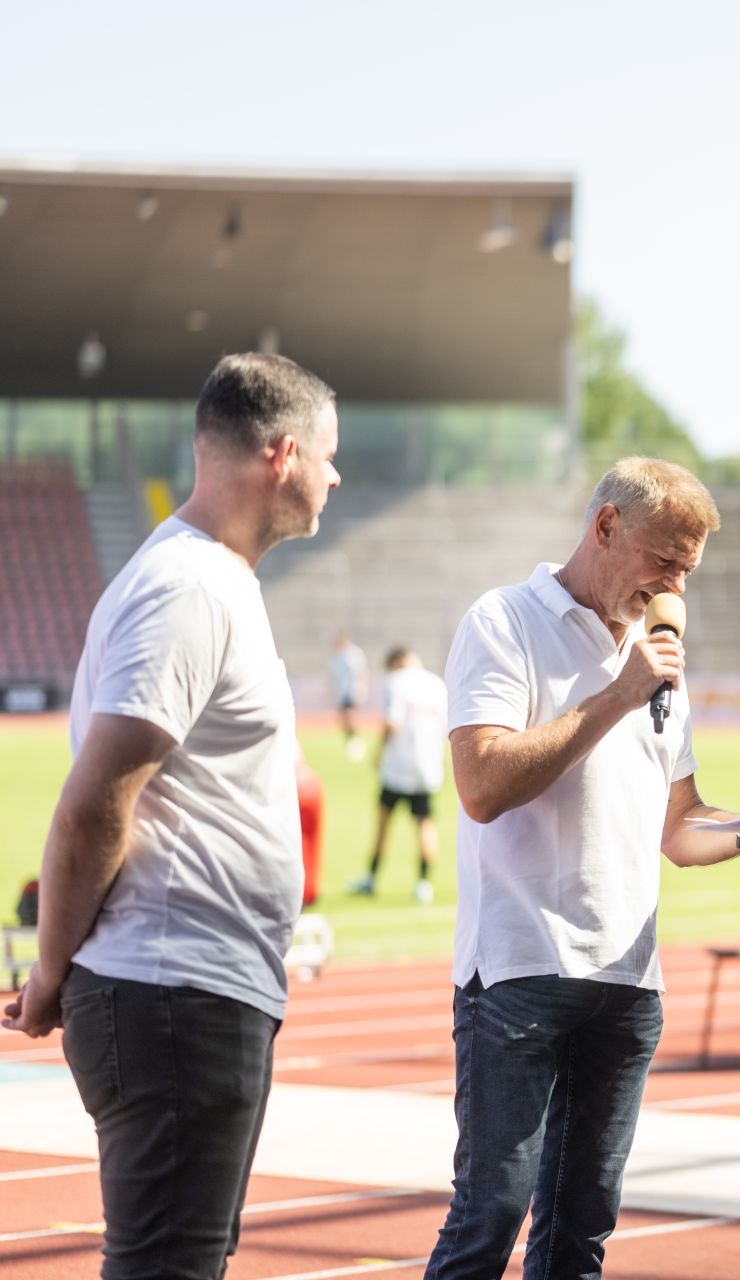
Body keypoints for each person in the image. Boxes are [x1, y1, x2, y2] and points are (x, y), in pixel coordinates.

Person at [424, 456, 740, 1280]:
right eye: (665, 560)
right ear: (606, 526)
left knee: (581, 1235)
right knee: (489, 1217)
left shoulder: (657, 657)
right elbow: (483, 785)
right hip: (521, 971)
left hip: (628, 984)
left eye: (687, 570)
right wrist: (617, 696)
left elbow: (678, 824)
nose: (675, 586)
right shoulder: (503, 621)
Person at [2, 353, 340, 1278]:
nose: (336, 475)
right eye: (327, 454)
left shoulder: (211, 581)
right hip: (172, 989)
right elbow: (93, 807)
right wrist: (50, 971)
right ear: (282, 454)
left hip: (193, 988)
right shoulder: (189, 588)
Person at [349, 645, 448, 904]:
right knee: (425, 824)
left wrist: (378, 754)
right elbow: (444, 729)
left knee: (383, 824)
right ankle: (424, 884)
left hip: (397, 768)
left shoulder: (396, 682)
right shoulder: (437, 685)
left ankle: (371, 879)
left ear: (395, 662)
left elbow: (392, 723)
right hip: (426, 769)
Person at [332, 630, 369, 761]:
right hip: (342, 692)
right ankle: (351, 741)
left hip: (353, 690)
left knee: (350, 717)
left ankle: (356, 741)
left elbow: (361, 671)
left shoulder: (353, 654)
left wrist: (361, 689)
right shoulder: (336, 655)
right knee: (343, 719)